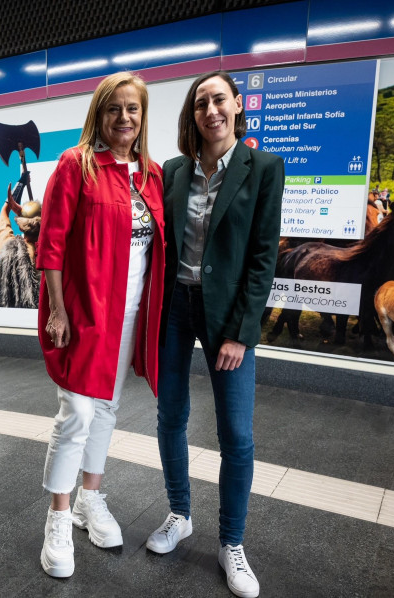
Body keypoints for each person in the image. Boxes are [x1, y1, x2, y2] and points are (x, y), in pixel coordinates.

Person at [150, 71, 284, 598]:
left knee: (237, 435)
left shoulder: (264, 168)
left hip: (228, 319)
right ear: (193, 114)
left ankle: (232, 543)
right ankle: (179, 513)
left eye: (219, 100)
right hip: (175, 310)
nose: (212, 110)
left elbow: (263, 257)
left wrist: (242, 334)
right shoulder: (174, 171)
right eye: (202, 102)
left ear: (236, 107)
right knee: (170, 417)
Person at [36, 71, 165, 578]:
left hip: (131, 311)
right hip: (85, 310)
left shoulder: (150, 175)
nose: (124, 118)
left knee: (108, 408)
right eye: (114, 108)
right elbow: (50, 244)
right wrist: (57, 309)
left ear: (142, 116)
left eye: (132, 109)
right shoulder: (76, 166)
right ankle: (58, 518)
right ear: (98, 114)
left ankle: (92, 498)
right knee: (77, 414)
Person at [0, 197, 41, 308]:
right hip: (41, 315)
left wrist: (9, 202)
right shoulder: (50, 251)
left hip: (14, 314)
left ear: (20, 225)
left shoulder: (9, 246)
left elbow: (4, 221)